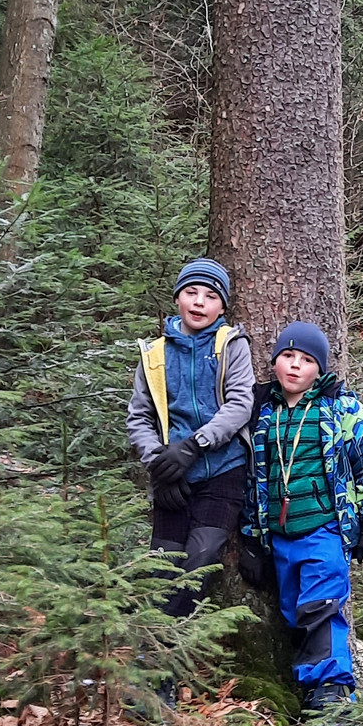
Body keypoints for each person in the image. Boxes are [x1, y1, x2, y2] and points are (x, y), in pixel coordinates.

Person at [243, 320, 363, 726]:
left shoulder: (340, 409)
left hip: (324, 529)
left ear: (320, 369)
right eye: (287, 356)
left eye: (307, 360)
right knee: (294, 612)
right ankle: (314, 697)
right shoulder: (262, 413)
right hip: (279, 536)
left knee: (321, 608)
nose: (295, 366)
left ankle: (335, 702)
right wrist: (252, 539)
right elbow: (252, 479)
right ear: (274, 361)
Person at [127, 257, 254, 619]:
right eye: (191, 292)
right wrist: (159, 464)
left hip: (222, 470)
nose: (199, 302)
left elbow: (240, 404)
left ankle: (168, 640)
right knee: (162, 564)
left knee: (201, 557)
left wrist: (195, 445)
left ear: (222, 307)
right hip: (172, 474)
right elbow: (139, 416)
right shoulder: (154, 354)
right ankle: (155, 640)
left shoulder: (232, 345)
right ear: (177, 298)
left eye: (211, 296)